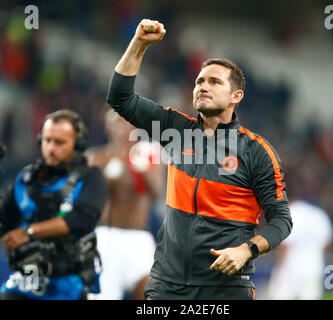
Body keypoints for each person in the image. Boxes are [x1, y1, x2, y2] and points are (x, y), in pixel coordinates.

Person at [105, 19, 292, 300]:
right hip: (166, 285)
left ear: (235, 96)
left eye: (214, 82)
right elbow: (120, 97)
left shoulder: (257, 151)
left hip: (225, 289)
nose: (203, 86)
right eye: (199, 81)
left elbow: (281, 220)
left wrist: (246, 250)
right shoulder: (172, 129)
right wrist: (140, 43)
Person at [0, 109, 108, 300]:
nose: (51, 148)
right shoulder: (25, 179)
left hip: (69, 285)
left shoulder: (91, 177)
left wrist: (29, 232)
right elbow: (4, 220)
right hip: (25, 282)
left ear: (78, 144)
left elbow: (81, 219)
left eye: (60, 142)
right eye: (47, 140)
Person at [86, 109, 164, 300]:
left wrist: (141, 169)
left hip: (139, 237)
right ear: (107, 127)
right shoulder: (96, 157)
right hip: (106, 238)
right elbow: (88, 199)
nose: (120, 127)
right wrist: (107, 178)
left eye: (124, 121)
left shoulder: (149, 153)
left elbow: (156, 192)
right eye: (115, 121)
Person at [267, 198, 333, 300]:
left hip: (291, 267)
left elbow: (285, 245)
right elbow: (328, 244)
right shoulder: (319, 214)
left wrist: (279, 269)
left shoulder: (289, 212)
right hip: (313, 266)